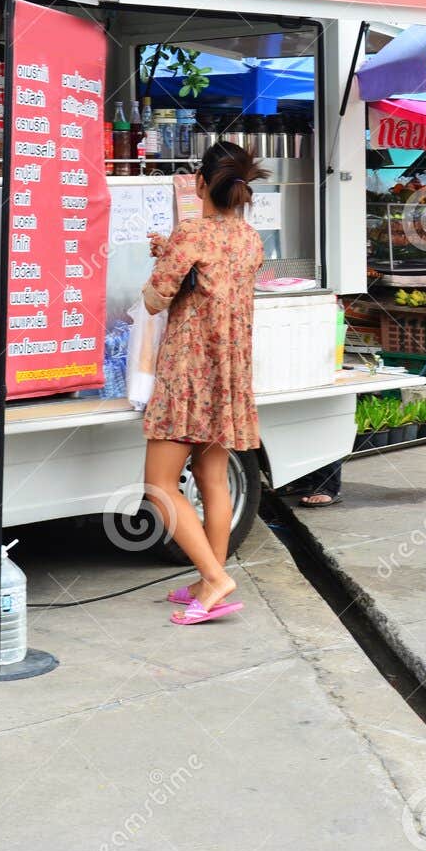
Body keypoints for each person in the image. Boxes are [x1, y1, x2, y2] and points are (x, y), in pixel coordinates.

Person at [141, 141, 267, 626]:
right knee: (213, 481)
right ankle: (208, 579)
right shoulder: (251, 239)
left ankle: (215, 579)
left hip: (187, 374)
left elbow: (156, 299)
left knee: (159, 485)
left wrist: (162, 263)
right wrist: (171, 253)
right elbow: (213, 278)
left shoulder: (190, 233)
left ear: (199, 184)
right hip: (228, 375)